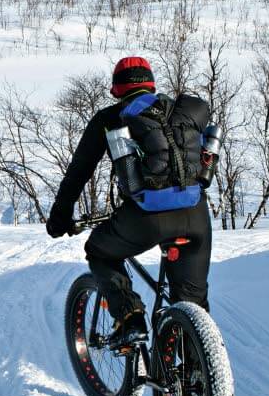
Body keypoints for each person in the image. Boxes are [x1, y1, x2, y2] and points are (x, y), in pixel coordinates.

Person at [46, 56, 213, 334]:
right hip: (195, 215)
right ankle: (199, 368)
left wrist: (60, 217)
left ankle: (129, 316)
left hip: (147, 218)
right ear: (151, 84)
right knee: (193, 304)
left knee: (99, 251)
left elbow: (78, 172)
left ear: (116, 90)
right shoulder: (181, 112)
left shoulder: (110, 118)